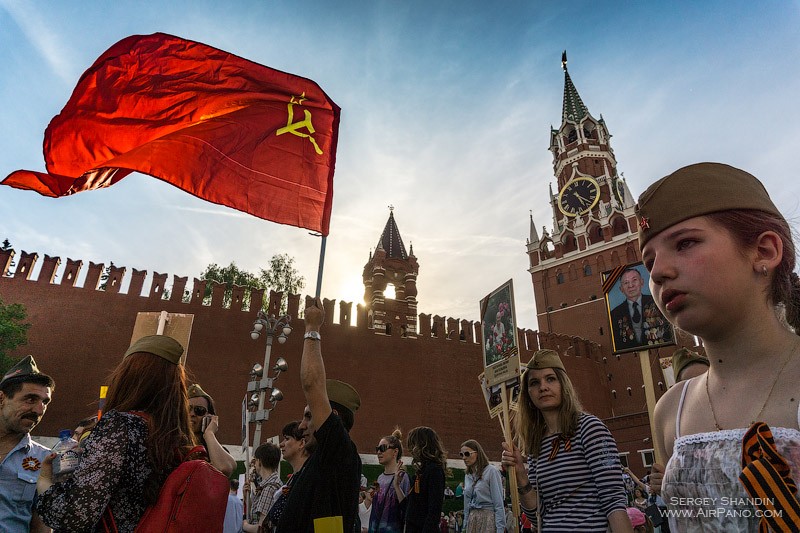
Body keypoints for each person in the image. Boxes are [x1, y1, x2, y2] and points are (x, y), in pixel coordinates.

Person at [639, 163, 800, 531]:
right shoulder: (670, 411)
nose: (658, 271)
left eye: (686, 243)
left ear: (764, 250)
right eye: (648, 262)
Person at [35, 335, 196, 531]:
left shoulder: (120, 424)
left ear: (128, 376)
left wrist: (45, 481)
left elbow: (75, 515)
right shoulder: (179, 438)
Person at [501, 349, 632, 532]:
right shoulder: (537, 444)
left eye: (550, 379)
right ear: (528, 394)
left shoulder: (589, 428)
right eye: (534, 382)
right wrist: (521, 475)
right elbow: (538, 516)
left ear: (564, 385)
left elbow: (614, 502)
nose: (543, 387)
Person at [277, 297, 362, 532]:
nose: (301, 426)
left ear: (332, 416)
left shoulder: (340, 450)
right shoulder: (321, 461)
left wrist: (312, 328)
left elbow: (312, 384)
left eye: (308, 416)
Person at [0, 355, 54, 533]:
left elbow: (42, 526)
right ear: (2, 399)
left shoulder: (45, 460)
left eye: (44, 402)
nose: (39, 410)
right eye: (30, 399)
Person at [265, 420, 314, 529]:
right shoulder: (295, 479)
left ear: (301, 443)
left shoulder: (306, 480)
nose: (281, 444)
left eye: (287, 439)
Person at [610, 268, 671, 350]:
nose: (631, 286)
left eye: (634, 280)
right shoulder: (614, 314)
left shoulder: (657, 303)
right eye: (626, 283)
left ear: (642, 282)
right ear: (621, 289)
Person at [404, 426, 447, 532]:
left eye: (413, 445)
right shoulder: (422, 471)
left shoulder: (434, 471)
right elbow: (412, 505)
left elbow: (434, 510)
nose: (411, 450)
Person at [188, 383, 236, 476]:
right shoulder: (173, 445)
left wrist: (209, 433)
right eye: (187, 409)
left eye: (199, 410)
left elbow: (224, 468)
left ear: (209, 417)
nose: (192, 414)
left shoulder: (214, 451)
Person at [368, 428, 409, 532]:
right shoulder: (379, 478)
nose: (378, 452)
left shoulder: (403, 477)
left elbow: (407, 510)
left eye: (382, 448)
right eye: (377, 448)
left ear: (395, 451)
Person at [460, 439, 505, 532]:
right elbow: (466, 502)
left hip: (488, 518)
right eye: (462, 454)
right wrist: (465, 524)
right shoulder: (468, 475)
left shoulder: (491, 471)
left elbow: (498, 502)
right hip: (473, 519)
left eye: (467, 454)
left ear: (477, 453)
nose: (464, 458)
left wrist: (500, 528)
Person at [243, 442, 282, 533]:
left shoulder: (269, 488)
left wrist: (245, 525)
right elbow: (257, 515)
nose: (254, 464)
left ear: (259, 461)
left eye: (255, 460)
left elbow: (262, 529)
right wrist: (246, 498)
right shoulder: (273, 483)